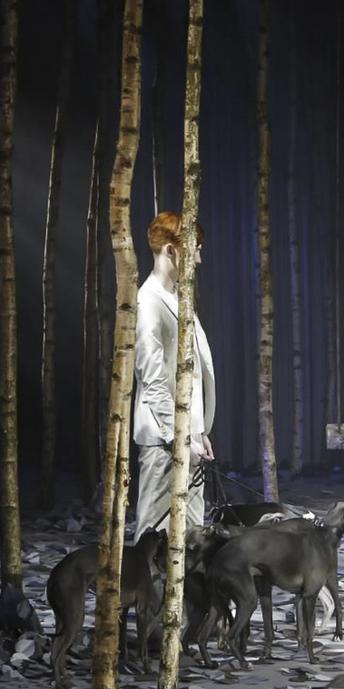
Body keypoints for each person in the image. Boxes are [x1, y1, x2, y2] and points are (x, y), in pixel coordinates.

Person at [132, 211, 216, 541]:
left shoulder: (180, 297)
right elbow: (153, 380)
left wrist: (198, 431)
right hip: (163, 440)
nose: (199, 259)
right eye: (194, 250)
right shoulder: (148, 301)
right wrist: (181, 438)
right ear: (171, 250)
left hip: (187, 439)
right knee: (152, 541)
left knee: (192, 540)